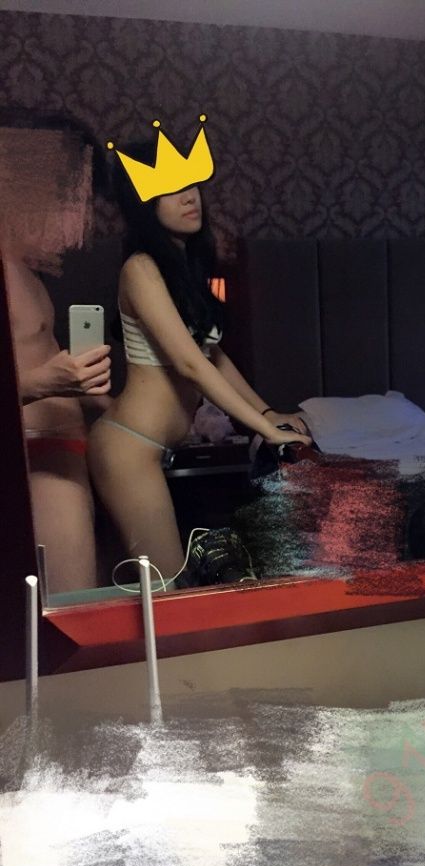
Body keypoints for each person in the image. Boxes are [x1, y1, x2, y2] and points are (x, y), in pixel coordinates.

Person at [87, 140, 311, 582]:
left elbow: (213, 355)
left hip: (155, 447)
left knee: (164, 589)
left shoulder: (184, 265)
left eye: (191, 183)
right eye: (171, 189)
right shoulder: (140, 268)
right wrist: (266, 430)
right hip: (129, 447)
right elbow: (191, 365)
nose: (190, 197)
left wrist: (266, 413)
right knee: (166, 592)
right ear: (144, 202)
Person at [0, 109, 111, 593]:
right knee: (71, 607)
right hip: (34, 453)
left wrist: (97, 397)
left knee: (78, 600)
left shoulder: (23, 264)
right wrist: (45, 383)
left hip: (64, 447)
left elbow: (35, 348)